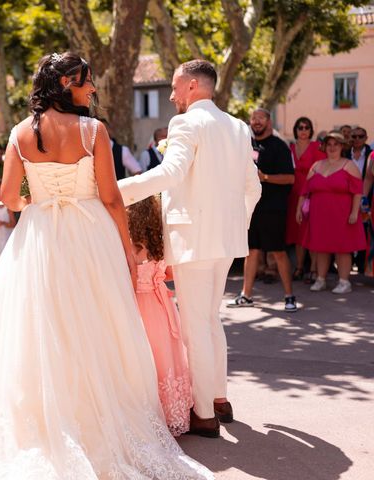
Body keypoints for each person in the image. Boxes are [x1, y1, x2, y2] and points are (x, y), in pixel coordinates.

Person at [0, 52, 212, 479]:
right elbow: (110, 197)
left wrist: (41, 200)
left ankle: (47, 420)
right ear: (69, 83)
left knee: (40, 327)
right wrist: (127, 251)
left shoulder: (19, 133)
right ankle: (91, 418)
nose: (93, 90)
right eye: (88, 82)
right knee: (95, 325)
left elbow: (12, 197)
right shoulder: (94, 131)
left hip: (40, 237)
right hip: (90, 235)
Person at [118, 59, 262, 437]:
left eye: (175, 86)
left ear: (193, 87)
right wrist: (236, 225)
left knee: (196, 325)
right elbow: (254, 189)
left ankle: (203, 414)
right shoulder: (238, 127)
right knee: (210, 319)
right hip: (226, 241)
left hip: (193, 238)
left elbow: (170, 174)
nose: (171, 94)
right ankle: (218, 397)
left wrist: (117, 191)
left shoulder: (186, 122)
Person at [127, 194, 192, 437]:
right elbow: (171, 275)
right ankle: (172, 411)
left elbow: (127, 279)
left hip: (140, 306)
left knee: (146, 355)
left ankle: (149, 412)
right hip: (163, 306)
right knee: (166, 353)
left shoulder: (131, 247)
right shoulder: (160, 244)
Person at [227, 108, 297, 312]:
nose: (256, 121)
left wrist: (264, 177)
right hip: (250, 207)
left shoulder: (280, 146)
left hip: (273, 208)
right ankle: (245, 295)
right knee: (251, 251)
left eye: (261, 118)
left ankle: (289, 296)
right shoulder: (246, 145)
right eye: (253, 118)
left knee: (278, 253)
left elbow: (290, 178)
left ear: (269, 121)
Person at [296, 131, 366, 294]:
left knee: (343, 248)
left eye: (336, 144)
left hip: (342, 214)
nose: (332, 147)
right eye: (329, 144)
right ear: (325, 146)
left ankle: (344, 282)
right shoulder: (316, 166)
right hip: (319, 214)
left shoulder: (349, 165)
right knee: (320, 247)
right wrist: (298, 209)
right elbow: (304, 191)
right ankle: (321, 279)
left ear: (342, 146)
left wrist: (355, 212)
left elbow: (357, 192)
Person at [285, 117, 326, 282]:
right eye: (300, 127)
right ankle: (300, 267)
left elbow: (322, 170)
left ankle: (314, 269)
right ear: (296, 129)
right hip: (294, 195)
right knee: (297, 234)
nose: (303, 130)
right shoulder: (290, 148)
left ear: (311, 130)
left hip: (311, 195)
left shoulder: (317, 147)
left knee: (311, 232)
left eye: (307, 127)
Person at [346, 126, 372, 274]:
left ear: (366, 137)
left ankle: (362, 265)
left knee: (364, 231)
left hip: (365, 200)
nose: (356, 139)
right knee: (347, 231)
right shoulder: (344, 154)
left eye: (360, 136)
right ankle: (346, 265)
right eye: (353, 136)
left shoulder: (370, 154)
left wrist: (364, 198)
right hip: (345, 199)